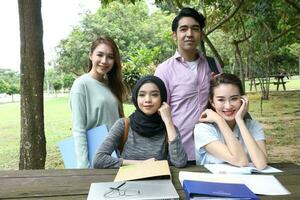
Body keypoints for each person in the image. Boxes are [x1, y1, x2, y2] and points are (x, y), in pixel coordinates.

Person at [155, 7, 222, 161]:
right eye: (183, 29)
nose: (189, 34)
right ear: (174, 35)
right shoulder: (164, 70)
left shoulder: (212, 64)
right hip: (179, 152)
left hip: (212, 150)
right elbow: (158, 110)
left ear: (201, 35)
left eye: (195, 29)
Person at [93, 75, 187, 168]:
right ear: (135, 98)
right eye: (142, 95)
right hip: (128, 181)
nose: (148, 100)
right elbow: (99, 159)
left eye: (154, 95)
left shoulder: (169, 129)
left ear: (162, 98)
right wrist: (141, 164)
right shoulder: (123, 125)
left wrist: (168, 121)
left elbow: (180, 162)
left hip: (159, 181)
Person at [70, 35, 126, 168]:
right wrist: (84, 167)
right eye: (99, 55)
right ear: (90, 55)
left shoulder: (111, 85)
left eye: (110, 57)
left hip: (115, 155)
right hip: (95, 157)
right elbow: (79, 129)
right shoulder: (81, 84)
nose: (104, 61)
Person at [194, 73, 268, 169]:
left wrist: (240, 120)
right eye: (221, 100)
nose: (228, 106)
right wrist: (220, 120)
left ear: (243, 100)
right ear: (212, 102)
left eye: (234, 99)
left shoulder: (253, 126)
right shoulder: (203, 129)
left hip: (249, 182)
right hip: (214, 182)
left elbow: (261, 164)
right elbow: (240, 161)